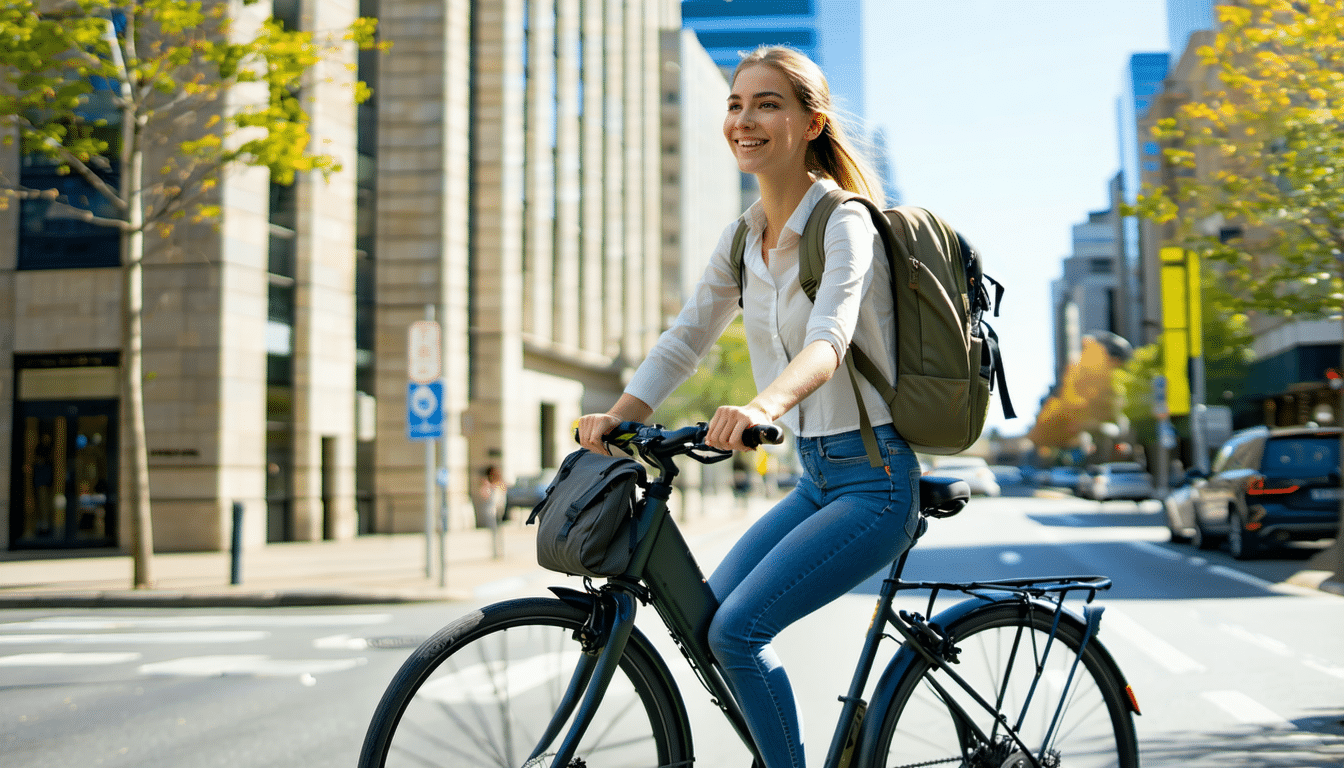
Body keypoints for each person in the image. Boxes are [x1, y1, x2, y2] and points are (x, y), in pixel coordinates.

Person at [577, 46, 921, 768]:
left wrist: (760, 405)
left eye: (767, 104)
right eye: (736, 104)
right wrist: (622, 413)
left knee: (738, 632)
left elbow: (828, 342)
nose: (744, 119)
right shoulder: (743, 238)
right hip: (816, 480)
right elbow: (685, 339)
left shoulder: (842, 222)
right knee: (707, 625)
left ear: (810, 122)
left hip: (875, 481)